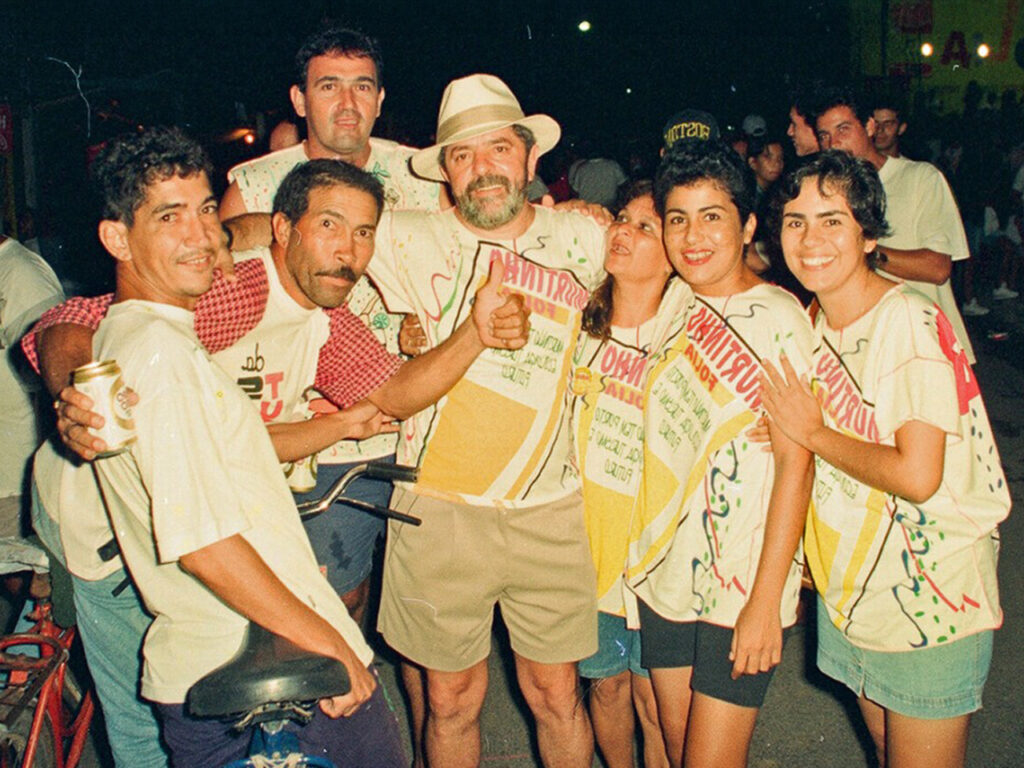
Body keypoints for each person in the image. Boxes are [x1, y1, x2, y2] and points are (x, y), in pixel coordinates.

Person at [27, 150, 528, 768]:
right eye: (329, 226)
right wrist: (80, 389)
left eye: (364, 232)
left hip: (203, 556)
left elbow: (389, 394)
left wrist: (473, 334)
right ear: (283, 230)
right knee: (140, 734)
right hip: (105, 533)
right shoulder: (224, 294)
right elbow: (76, 321)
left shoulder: (323, 319)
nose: (348, 249)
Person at [81, 125, 406, 768]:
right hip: (250, 653)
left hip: (228, 635)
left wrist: (284, 566)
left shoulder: (142, 336)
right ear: (118, 238)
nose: (201, 235)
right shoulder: (162, 355)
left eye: (206, 210)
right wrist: (328, 642)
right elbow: (203, 546)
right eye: (168, 217)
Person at [367, 73, 606, 768]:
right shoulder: (402, 238)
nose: (483, 169)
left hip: (550, 506)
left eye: (498, 148)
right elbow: (299, 240)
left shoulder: (586, 238)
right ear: (444, 171)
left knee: (557, 695)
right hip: (436, 507)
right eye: (463, 155)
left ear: (530, 158)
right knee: (449, 701)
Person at [761, 149, 1008, 768]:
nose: (810, 239)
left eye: (832, 221)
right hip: (858, 593)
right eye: (795, 221)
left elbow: (917, 476)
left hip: (932, 599)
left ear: (869, 234)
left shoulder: (908, 321)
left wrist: (812, 434)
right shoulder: (817, 320)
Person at [219, 26, 445, 627]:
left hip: (410, 430)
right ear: (299, 99)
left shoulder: (425, 178)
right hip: (291, 435)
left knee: (411, 616)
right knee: (316, 601)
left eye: (361, 87)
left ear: (379, 98)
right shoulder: (254, 185)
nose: (346, 104)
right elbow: (200, 294)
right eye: (328, 86)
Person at [625, 140, 814, 768]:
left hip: (741, 582)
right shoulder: (674, 302)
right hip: (666, 572)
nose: (693, 235)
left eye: (713, 216)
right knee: (678, 752)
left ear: (748, 225)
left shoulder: (778, 316)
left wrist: (765, 603)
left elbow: (797, 463)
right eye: (678, 218)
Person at [571, 181, 675, 768]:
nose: (623, 233)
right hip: (589, 547)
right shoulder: (576, 322)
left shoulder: (688, 332)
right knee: (605, 687)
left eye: (645, 227)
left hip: (658, 555)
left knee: (656, 699)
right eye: (621, 218)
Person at [813, 85, 975, 364]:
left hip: (927, 349)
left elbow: (937, 268)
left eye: (843, 129)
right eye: (824, 135)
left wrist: (864, 252)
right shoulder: (825, 194)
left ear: (870, 126)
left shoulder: (919, 178)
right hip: (862, 351)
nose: (833, 144)